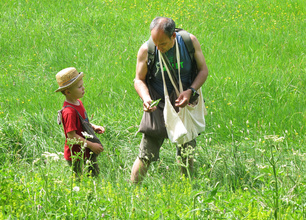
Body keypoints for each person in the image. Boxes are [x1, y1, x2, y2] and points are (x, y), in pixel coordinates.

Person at [131, 17, 209, 184]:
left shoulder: (189, 42)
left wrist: (191, 91)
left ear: (173, 36)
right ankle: (133, 191)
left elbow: (203, 70)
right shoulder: (147, 50)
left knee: (186, 154)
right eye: (155, 43)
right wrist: (146, 99)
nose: (158, 48)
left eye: (163, 44)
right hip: (157, 106)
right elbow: (138, 80)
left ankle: (187, 190)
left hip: (183, 106)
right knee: (146, 154)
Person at [55, 67, 105, 177]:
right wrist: (91, 145)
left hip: (86, 151)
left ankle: (92, 193)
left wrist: (93, 127)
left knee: (94, 176)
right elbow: (71, 136)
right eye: (79, 87)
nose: (83, 88)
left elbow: (82, 123)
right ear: (68, 92)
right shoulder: (69, 112)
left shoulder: (78, 103)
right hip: (76, 155)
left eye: (82, 85)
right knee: (78, 180)